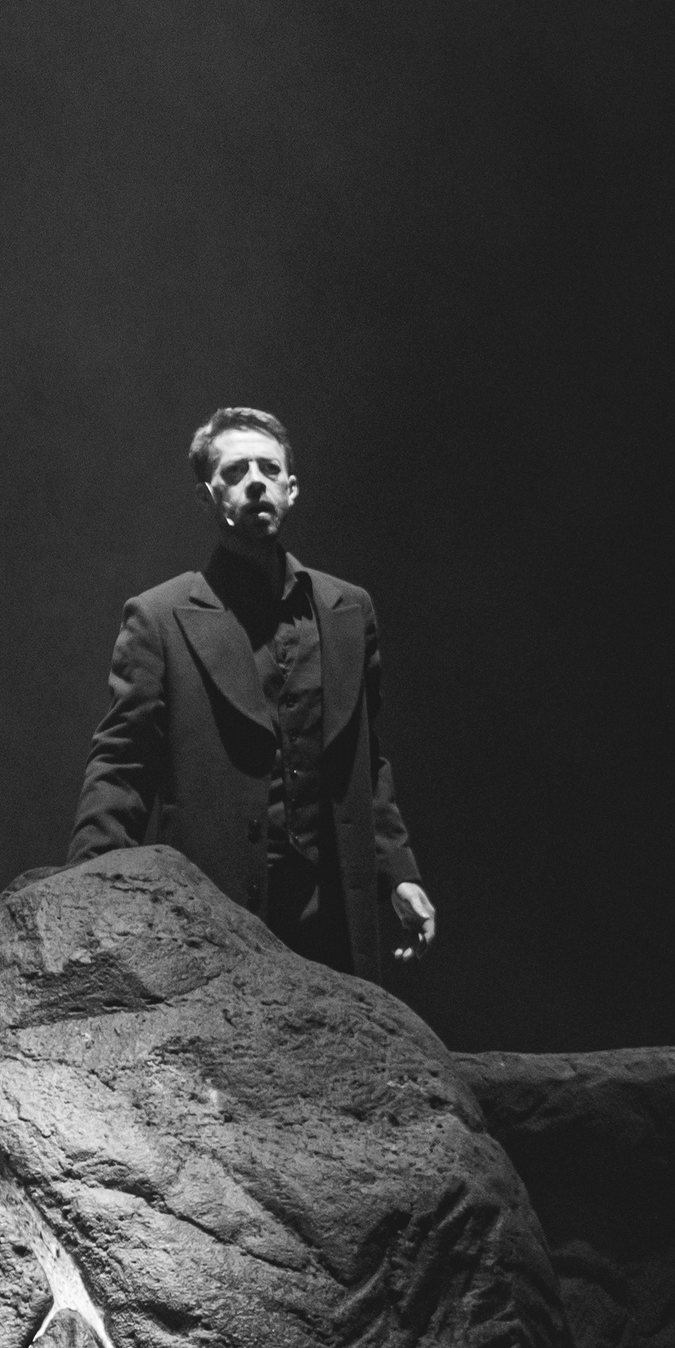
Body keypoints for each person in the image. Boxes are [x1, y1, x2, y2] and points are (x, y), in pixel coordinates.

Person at [66, 406, 437, 985]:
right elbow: (123, 764)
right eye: (236, 471)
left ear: (292, 488)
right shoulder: (160, 617)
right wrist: (82, 891)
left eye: (270, 468)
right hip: (210, 911)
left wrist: (399, 872)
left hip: (331, 913)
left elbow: (365, 762)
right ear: (207, 496)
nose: (256, 482)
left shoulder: (347, 610)